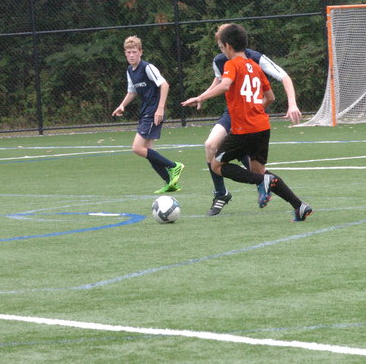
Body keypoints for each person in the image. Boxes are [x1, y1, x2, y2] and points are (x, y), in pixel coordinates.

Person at [181, 23, 312, 222]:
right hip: (262, 127)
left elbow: (225, 85)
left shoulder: (231, 64)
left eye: (222, 47)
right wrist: (254, 108)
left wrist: (201, 98)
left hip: (243, 129)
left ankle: (251, 184)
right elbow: (270, 97)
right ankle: (299, 206)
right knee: (258, 171)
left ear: (227, 46)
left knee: (216, 165)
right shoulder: (256, 68)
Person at [112, 35, 184, 193]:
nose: (131, 55)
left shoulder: (147, 67)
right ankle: (170, 183)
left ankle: (174, 166)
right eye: (128, 52)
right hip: (145, 111)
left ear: (140, 52)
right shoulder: (130, 71)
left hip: (153, 112)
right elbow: (132, 91)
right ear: (125, 53)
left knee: (137, 148)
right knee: (149, 151)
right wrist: (122, 105)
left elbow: (164, 85)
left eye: (134, 52)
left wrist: (160, 108)